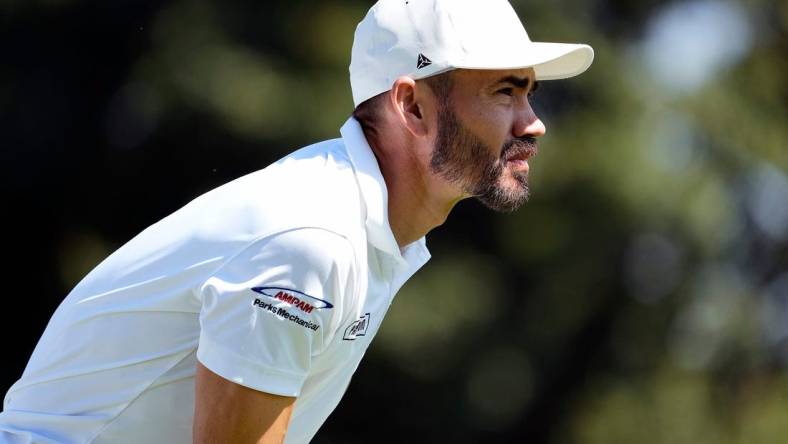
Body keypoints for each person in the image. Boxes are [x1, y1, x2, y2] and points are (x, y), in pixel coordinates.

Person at [0, 0, 593, 442]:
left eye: (530, 94)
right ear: (411, 106)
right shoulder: (314, 240)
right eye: (506, 92)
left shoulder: (361, 227)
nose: (533, 122)